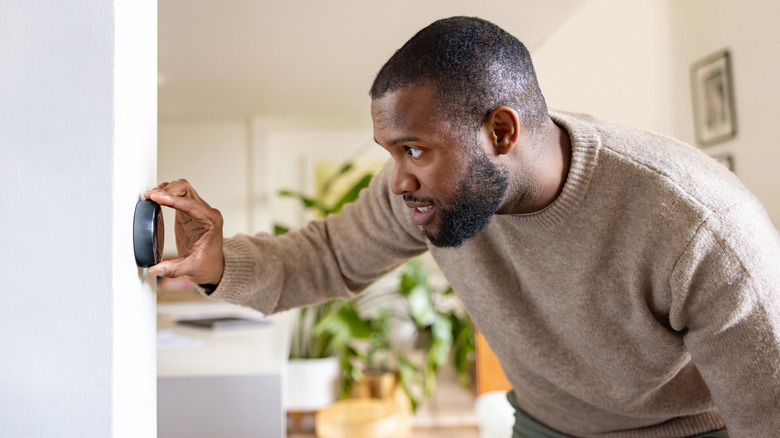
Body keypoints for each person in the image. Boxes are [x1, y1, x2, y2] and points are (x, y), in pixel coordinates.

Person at [146, 16, 780, 438]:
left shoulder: (701, 229)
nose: (397, 180)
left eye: (414, 149)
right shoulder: (424, 195)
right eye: (390, 152)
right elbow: (328, 256)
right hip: (541, 424)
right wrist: (219, 264)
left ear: (500, 132)